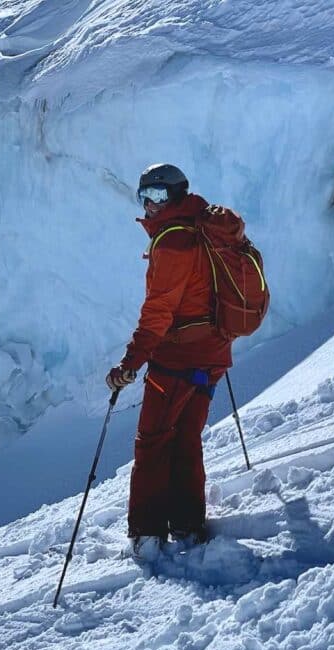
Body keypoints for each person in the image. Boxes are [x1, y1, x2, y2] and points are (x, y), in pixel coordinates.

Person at [106, 163, 239, 556]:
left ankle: (147, 534)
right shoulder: (200, 224)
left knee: (152, 441)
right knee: (185, 438)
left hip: (178, 359)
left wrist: (131, 363)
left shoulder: (173, 241)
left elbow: (158, 313)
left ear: (177, 195)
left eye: (159, 196)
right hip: (212, 354)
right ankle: (187, 525)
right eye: (144, 196)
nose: (150, 205)